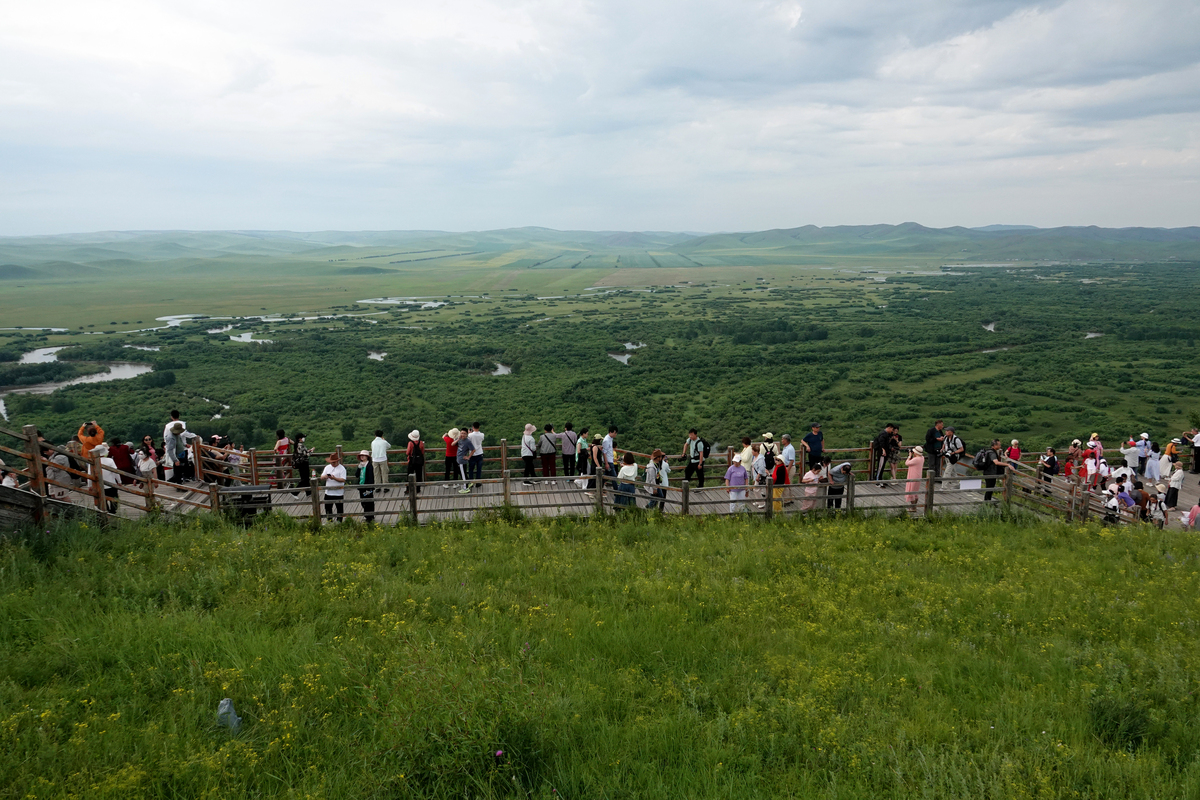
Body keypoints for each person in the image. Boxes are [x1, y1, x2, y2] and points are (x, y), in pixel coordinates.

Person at [90, 444, 120, 514]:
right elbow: (115, 472)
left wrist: (89, 485)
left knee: (102, 499)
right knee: (114, 498)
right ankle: (113, 511)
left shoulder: (92, 461)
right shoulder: (110, 460)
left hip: (98, 485)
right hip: (111, 483)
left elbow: (90, 474)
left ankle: (105, 510)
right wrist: (119, 481)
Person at [319, 452, 346, 522]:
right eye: (331, 462)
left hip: (338, 492)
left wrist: (334, 478)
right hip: (328, 492)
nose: (332, 464)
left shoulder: (342, 468)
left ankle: (339, 521)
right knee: (328, 508)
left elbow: (343, 479)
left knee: (339, 508)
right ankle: (329, 521)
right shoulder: (327, 467)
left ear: (337, 461)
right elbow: (321, 477)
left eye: (334, 462)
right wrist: (325, 477)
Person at [356, 450, 376, 523]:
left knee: (369, 501)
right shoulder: (360, 465)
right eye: (361, 455)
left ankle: (370, 516)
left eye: (363, 455)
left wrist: (370, 487)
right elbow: (356, 475)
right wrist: (359, 468)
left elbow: (371, 477)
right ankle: (367, 515)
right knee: (363, 501)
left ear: (367, 457)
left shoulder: (369, 465)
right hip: (361, 486)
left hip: (368, 486)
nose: (362, 457)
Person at [291, 433, 312, 497]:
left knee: (305, 478)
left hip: (300, 463)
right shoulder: (301, 446)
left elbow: (302, 453)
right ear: (300, 439)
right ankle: (295, 492)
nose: (304, 438)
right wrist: (311, 451)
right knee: (305, 479)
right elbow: (306, 454)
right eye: (303, 437)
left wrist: (308, 451)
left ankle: (308, 493)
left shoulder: (297, 445)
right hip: (303, 463)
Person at [371, 430, 391, 494]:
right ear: (382, 435)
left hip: (375, 459)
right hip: (383, 459)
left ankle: (377, 487)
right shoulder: (383, 442)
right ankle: (386, 487)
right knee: (384, 473)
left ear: (375, 435)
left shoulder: (373, 442)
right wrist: (384, 440)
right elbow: (389, 446)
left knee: (376, 474)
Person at [456, 429, 473, 494]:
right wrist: (458, 439)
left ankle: (465, 488)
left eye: (464, 433)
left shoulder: (468, 441)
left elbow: (473, 450)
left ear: (467, 434)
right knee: (463, 473)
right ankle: (468, 484)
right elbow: (452, 444)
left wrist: (468, 457)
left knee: (463, 475)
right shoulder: (459, 440)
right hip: (459, 460)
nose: (462, 435)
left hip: (462, 461)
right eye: (461, 433)